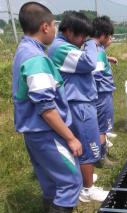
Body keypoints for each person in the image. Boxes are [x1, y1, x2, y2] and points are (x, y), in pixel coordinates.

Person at [12, 2, 83, 213]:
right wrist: (70, 138)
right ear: (45, 27)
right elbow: (46, 107)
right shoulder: (36, 59)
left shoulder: (24, 50)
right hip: (47, 133)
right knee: (71, 181)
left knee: (51, 180)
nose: (55, 29)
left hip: (35, 133)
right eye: (54, 25)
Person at [48, 12, 108, 203]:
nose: (83, 41)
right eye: (82, 36)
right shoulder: (60, 48)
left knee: (83, 146)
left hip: (81, 103)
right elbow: (89, 62)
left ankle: (84, 180)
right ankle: (88, 190)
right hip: (79, 105)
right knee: (89, 146)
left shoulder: (65, 46)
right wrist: (92, 42)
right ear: (70, 31)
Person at [91, 16, 117, 166]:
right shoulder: (98, 52)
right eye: (110, 36)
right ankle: (101, 157)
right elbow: (96, 77)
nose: (111, 39)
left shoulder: (94, 48)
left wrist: (107, 58)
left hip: (100, 95)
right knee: (102, 127)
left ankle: (99, 152)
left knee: (100, 126)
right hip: (102, 96)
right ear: (102, 35)